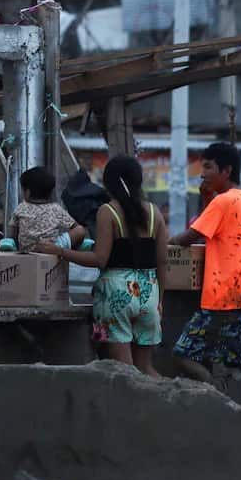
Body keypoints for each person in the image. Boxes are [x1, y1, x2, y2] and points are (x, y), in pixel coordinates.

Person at [48, 156, 168, 376]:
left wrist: (61, 252)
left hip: (116, 294)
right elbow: (162, 261)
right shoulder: (154, 213)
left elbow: (99, 259)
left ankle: (129, 410)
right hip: (149, 293)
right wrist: (160, 299)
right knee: (145, 368)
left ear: (109, 183)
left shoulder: (108, 211)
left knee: (125, 372)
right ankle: (167, 406)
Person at [169, 142, 241, 404]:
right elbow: (221, 230)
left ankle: (216, 392)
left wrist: (166, 244)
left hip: (221, 296)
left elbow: (192, 235)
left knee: (182, 354)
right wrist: (206, 199)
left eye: (208, 167)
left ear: (226, 170)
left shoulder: (222, 201)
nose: (203, 174)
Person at [9, 167, 86, 252]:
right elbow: (75, 227)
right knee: (80, 230)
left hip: (26, 250)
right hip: (51, 249)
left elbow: (13, 232)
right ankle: (71, 247)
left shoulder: (21, 208)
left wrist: (17, 247)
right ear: (50, 192)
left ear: (27, 192)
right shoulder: (56, 209)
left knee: (10, 240)